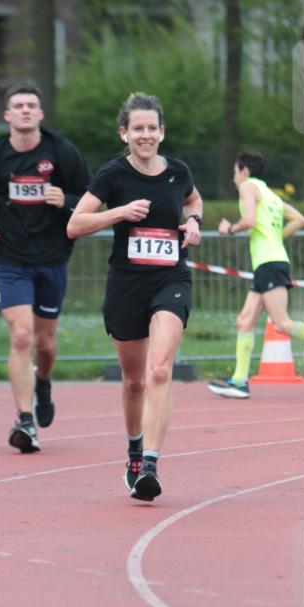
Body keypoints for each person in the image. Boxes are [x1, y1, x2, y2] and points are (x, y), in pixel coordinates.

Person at [67, 92, 203, 501]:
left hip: (170, 281)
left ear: (162, 132)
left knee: (159, 369)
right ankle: (133, 449)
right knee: (133, 380)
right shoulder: (112, 175)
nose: (145, 135)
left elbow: (193, 199)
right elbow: (74, 225)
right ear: (124, 133)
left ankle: (151, 466)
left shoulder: (177, 172)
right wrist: (119, 213)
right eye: (137, 128)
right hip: (127, 285)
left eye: (152, 128)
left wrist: (193, 221)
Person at [0, 84, 91, 452]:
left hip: (52, 258)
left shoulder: (61, 152)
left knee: (45, 342)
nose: (25, 110)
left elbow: (92, 198)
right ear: (7, 115)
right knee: (21, 335)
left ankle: (43, 383)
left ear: (40, 114)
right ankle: (24, 421)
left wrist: (65, 199)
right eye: (18, 106)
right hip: (11, 259)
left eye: (31, 105)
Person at [208, 151, 304, 399]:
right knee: (244, 321)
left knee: (282, 323)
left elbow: (248, 221)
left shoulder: (247, 187)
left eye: (235, 171)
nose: (234, 177)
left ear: (244, 171)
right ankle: (239, 381)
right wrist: (276, 238)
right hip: (269, 262)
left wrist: (228, 229)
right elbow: (300, 219)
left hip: (269, 263)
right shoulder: (271, 196)